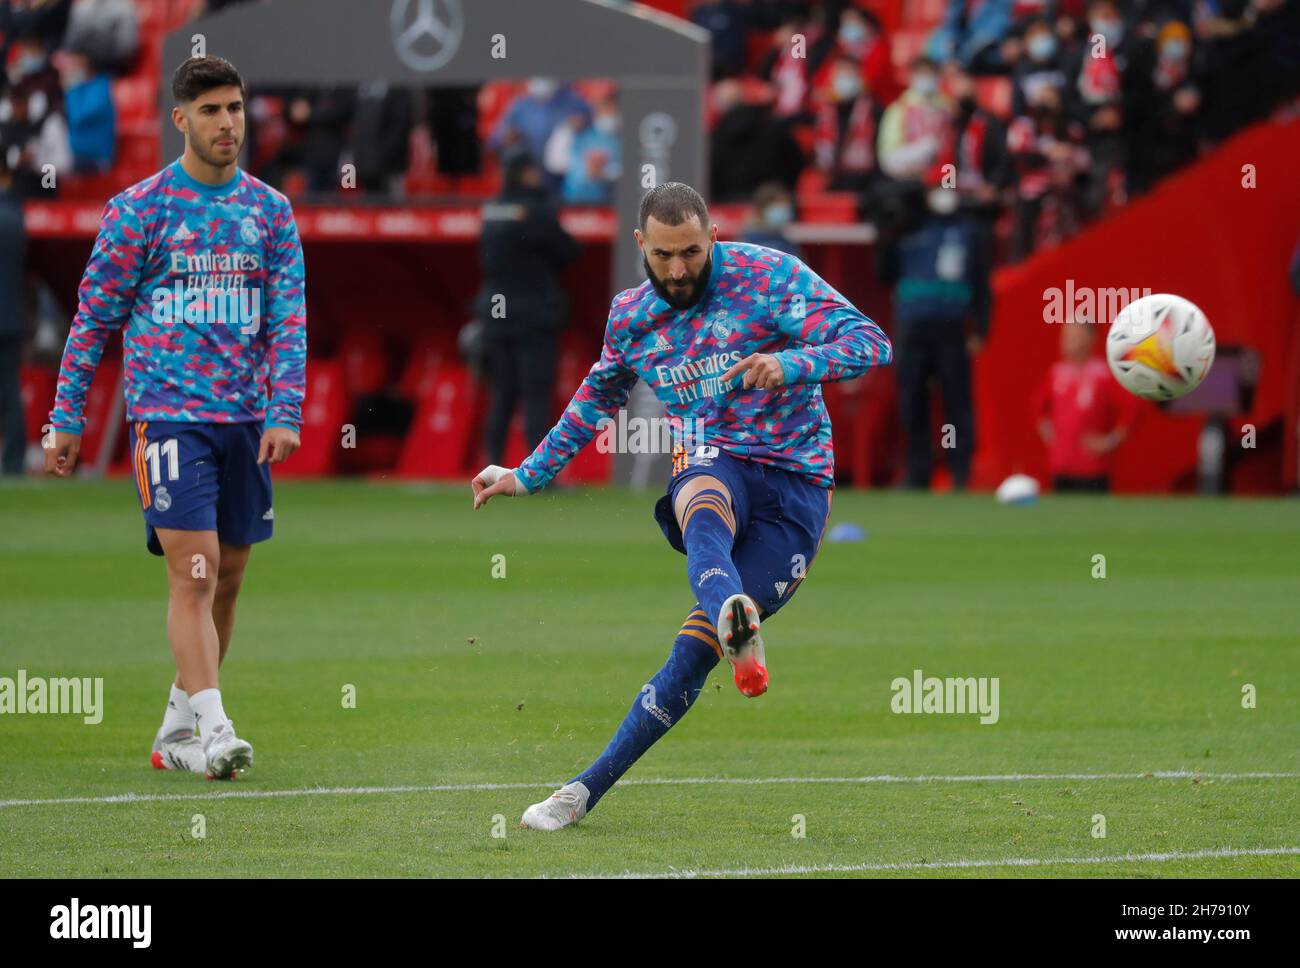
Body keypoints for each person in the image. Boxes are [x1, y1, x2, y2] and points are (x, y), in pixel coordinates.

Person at [471, 182, 892, 830]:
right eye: (663, 255)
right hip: (716, 459)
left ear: (712, 239)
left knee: (693, 655)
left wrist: (795, 364)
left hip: (798, 484)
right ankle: (729, 613)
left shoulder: (769, 277)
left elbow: (871, 343)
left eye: (691, 253)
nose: (677, 270)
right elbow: (595, 398)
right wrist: (529, 473)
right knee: (699, 487)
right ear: (641, 245)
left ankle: (590, 784)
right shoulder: (633, 317)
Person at [45, 56, 307, 780]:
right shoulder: (140, 210)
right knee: (196, 572)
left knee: (229, 576)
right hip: (167, 418)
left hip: (246, 423)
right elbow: (92, 318)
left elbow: (288, 320)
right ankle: (217, 731)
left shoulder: (269, 212)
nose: (229, 123)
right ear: (180, 119)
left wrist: (285, 410)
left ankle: (176, 728)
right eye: (214, 110)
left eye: (236, 108)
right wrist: (65, 415)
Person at [877, 177, 992, 490]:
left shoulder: (970, 231)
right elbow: (884, 273)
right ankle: (918, 471)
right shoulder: (908, 227)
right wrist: (886, 234)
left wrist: (980, 328)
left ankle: (958, 469)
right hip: (912, 329)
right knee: (913, 403)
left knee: (955, 404)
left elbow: (982, 283)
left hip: (952, 329)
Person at [477, 149, 580, 466]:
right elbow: (570, 251)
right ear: (525, 173)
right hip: (534, 314)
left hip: (497, 315)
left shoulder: (491, 209)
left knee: (502, 396)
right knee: (536, 395)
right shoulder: (537, 210)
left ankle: (490, 463)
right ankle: (540, 471)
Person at [1033, 318, 1136, 491]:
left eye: (1074, 336)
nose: (1066, 341)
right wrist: (1047, 432)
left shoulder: (1104, 374)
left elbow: (1132, 410)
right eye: (1065, 336)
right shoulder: (1057, 372)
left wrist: (1110, 441)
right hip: (1061, 466)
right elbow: (1038, 407)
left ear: (1090, 338)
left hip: (1092, 469)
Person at [0, 156, 25, 475]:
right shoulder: (16, 213)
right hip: (13, 315)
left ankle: (15, 459)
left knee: (8, 391)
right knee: (9, 390)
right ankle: (14, 458)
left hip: (6, 316)